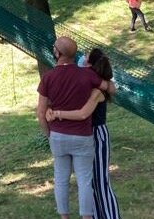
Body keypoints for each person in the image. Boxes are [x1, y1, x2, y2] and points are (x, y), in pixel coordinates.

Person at [37, 36, 116, 219]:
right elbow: (111, 88)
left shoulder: (48, 77)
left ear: (57, 53)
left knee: (61, 180)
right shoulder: (87, 75)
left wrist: (49, 134)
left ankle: (64, 217)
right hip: (83, 136)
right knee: (84, 181)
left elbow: (41, 113)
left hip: (58, 135)